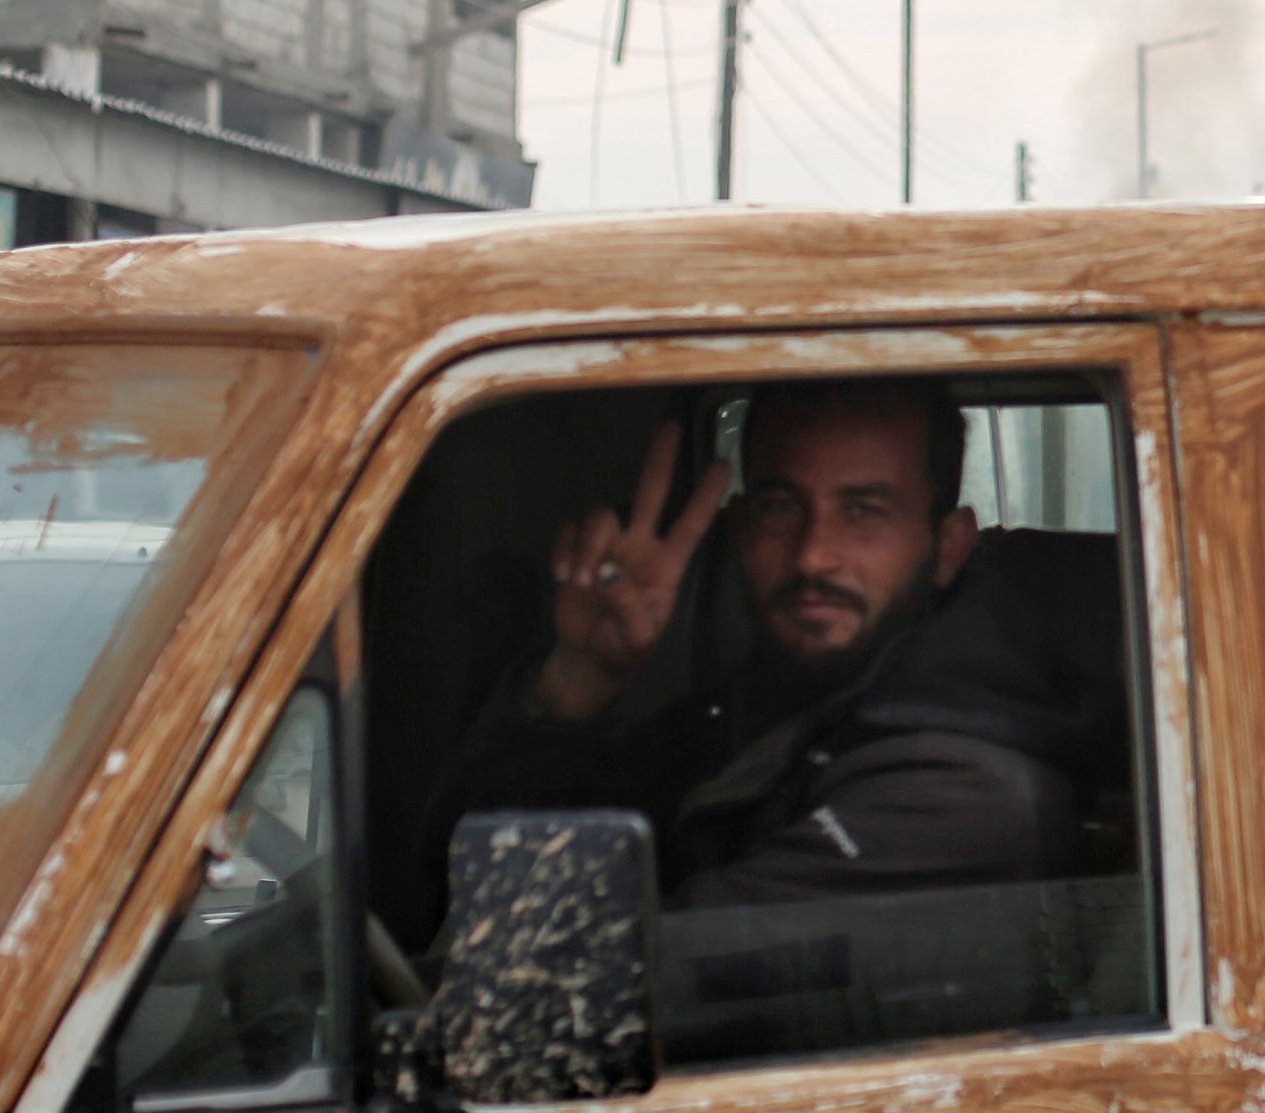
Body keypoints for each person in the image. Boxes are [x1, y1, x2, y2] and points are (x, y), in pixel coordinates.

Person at [420, 378, 1123, 908]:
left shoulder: (966, 792)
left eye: (865, 512)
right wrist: (581, 675)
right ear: (738, 525)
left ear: (947, 546)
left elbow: (616, 975)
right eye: (781, 506)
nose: (813, 555)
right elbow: (465, 875)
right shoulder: (771, 709)